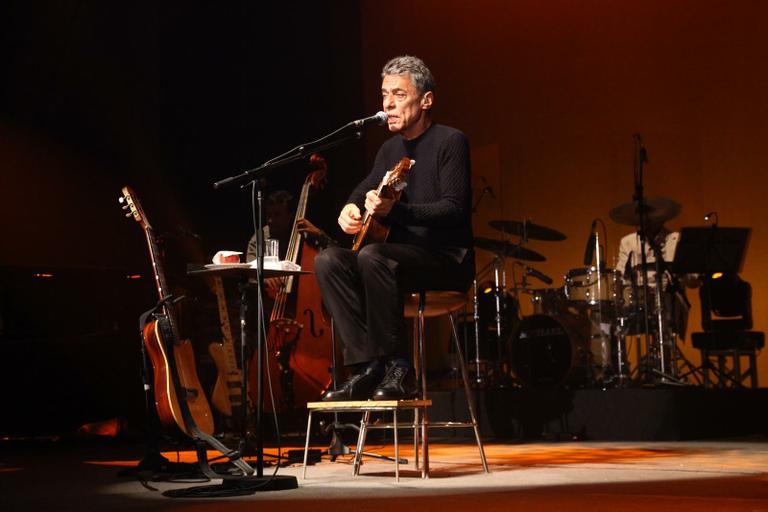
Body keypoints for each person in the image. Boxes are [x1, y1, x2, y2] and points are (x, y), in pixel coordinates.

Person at [314, 55, 474, 401]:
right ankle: (367, 367)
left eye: (399, 95)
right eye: (384, 94)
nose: (387, 103)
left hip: (445, 260)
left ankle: (400, 368)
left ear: (426, 100)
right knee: (328, 260)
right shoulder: (389, 150)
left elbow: (453, 209)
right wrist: (350, 208)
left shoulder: (450, 141)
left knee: (373, 257)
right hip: (395, 262)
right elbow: (363, 187)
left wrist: (396, 212)